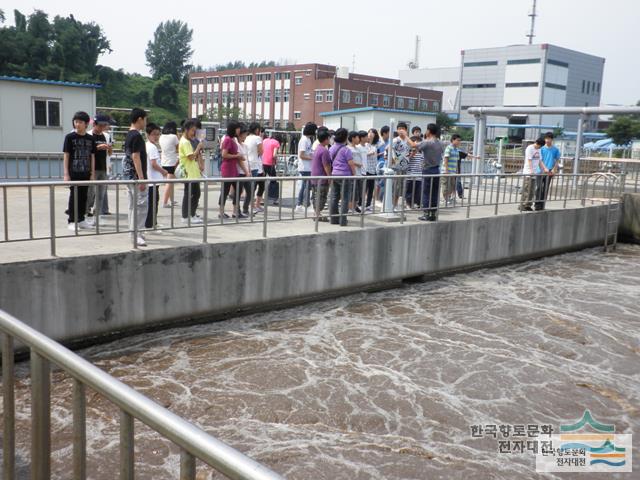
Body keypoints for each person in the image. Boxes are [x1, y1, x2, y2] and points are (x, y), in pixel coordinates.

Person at [63, 111, 96, 230]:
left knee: (84, 197)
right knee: (74, 197)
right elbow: (66, 155)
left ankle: (81, 219)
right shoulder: (69, 137)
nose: (77, 124)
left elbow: (92, 156)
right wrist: (66, 174)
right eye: (76, 121)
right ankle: (72, 221)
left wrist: (92, 173)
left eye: (80, 122)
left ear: (86, 124)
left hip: (86, 172)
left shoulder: (90, 139)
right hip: (74, 172)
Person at [122, 108, 149, 246]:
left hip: (129, 176)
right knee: (141, 206)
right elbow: (136, 156)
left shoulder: (129, 134)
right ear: (139, 119)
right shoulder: (137, 136)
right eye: (145, 119)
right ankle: (137, 233)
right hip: (136, 177)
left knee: (133, 206)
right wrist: (142, 178)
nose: (146, 122)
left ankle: (133, 232)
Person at [407, 123, 444, 221]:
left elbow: (413, 145)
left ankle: (426, 214)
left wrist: (405, 135)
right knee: (435, 192)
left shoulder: (428, 142)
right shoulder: (440, 143)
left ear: (429, 131)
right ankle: (433, 214)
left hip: (428, 170)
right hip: (437, 170)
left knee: (426, 192)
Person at [86, 114, 112, 222]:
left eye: (105, 125)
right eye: (101, 125)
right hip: (92, 168)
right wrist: (98, 147)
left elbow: (110, 153)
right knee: (90, 193)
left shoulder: (106, 136)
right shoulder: (88, 135)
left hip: (103, 168)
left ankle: (98, 214)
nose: (103, 128)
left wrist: (109, 148)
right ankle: (86, 212)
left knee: (101, 193)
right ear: (94, 124)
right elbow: (87, 151)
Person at [179, 119, 205, 224]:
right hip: (189, 173)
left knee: (196, 194)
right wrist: (198, 147)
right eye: (192, 131)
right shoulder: (185, 142)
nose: (193, 133)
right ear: (186, 129)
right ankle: (186, 216)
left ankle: (192, 214)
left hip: (193, 173)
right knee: (189, 194)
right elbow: (191, 157)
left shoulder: (187, 141)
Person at [329, 128, 355, 226]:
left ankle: (333, 219)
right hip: (345, 176)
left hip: (334, 174)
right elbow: (351, 164)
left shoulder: (331, 148)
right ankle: (343, 220)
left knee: (334, 197)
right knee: (345, 198)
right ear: (345, 137)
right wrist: (354, 174)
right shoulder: (346, 150)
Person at [219, 122, 245, 218]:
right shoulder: (228, 140)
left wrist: (238, 156)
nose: (239, 130)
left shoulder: (232, 140)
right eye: (238, 128)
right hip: (227, 169)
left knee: (238, 189)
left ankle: (235, 211)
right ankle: (221, 212)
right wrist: (236, 156)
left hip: (233, 169)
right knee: (225, 191)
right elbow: (224, 154)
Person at [145, 123, 168, 229]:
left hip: (150, 180)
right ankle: (151, 224)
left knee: (152, 202)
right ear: (148, 134)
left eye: (158, 134)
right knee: (153, 203)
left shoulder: (147, 145)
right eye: (154, 134)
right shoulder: (152, 147)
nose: (156, 136)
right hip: (153, 180)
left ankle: (152, 222)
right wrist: (163, 171)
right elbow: (154, 164)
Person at [310, 128, 332, 221]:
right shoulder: (324, 151)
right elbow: (326, 165)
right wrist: (329, 177)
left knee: (316, 195)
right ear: (326, 139)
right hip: (321, 177)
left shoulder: (317, 148)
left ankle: (316, 213)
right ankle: (317, 214)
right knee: (322, 196)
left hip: (314, 176)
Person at [296, 123, 317, 212]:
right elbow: (301, 155)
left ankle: (300, 204)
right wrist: (312, 157)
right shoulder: (304, 140)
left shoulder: (308, 140)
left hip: (307, 166)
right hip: (305, 167)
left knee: (305, 186)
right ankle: (305, 204)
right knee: (306, 186)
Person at [519, 138, 545, 212]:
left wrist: (543, 169)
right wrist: (531, 170)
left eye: (540, 147)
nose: (539, 147)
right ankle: (523, 205)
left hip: (534, 173)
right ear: (536, 143)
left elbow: (540, 161)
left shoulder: (539, 149)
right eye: (538, 146)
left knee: (532, 190)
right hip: (528, 172)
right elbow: (529, 160)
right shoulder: (530, 148)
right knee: (527, 189)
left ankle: (528, 205)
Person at [536, 132, 560, 211]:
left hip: (549, 171)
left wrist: (554, 169)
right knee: (539, 187)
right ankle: (537, 204)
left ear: (551, 139)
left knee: (545, 188)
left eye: (549, 138)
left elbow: (557, 160)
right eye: (546, 138)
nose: (547, 140)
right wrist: (544, 168)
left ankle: (542, 204)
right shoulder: (541, 149)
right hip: (540, 171)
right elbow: (540, 159)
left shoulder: (555, 149)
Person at [245, 122, 265, 213]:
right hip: (255, 164)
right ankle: (253, 206)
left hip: (248, 163)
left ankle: (253, 205)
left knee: (253, 186)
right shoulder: (258, 138)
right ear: (257, 130)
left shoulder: (247, 137)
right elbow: (261, 152)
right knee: (255, 186)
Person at [391, 122, 411, 210]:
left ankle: (397, 205)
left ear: (406, 130)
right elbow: (388, 149)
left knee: (402, 187)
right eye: (399, 129)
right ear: (397, 130)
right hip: (396, 167)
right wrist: (393, 159)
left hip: (405, 167)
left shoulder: (407, 140)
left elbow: (412, 149)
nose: (401, 130)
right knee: (396, 187)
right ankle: (393, 205)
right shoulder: (396, 140)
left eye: (403, 128)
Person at [159, 121, 180, 208]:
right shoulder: (174, 137)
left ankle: (171, 200)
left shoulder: (161, 137)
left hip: (164, 162)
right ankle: (165, 202)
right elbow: (178, 149)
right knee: (169, 183)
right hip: (172, 162)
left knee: (170, 182)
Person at [235, 124, 252, 217]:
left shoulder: (245, 146)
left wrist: (249, 170)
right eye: (245, 134)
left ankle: (245, 209)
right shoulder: (237, 145)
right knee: (238, 192)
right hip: (240, 172)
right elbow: (239, 160)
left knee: (249, 191)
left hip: (246, 172)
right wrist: (246, 171)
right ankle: (237, 210)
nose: (246, 136)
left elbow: (246, 159)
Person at [442, 134, 462, 205]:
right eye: (458, 140)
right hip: (446, 171)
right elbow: (446, 158)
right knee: (446, 185)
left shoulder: (456, 150)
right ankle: (445, 199)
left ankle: (449, 198)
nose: (459, 142)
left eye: (460, 140)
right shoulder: (449, 148)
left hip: (453, 171)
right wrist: (446, 169)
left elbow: (456, 161)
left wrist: (456, 171)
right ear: (453, 140)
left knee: (452, 186)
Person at [362, 129, 379, 211]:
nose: (371, 134)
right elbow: (363, 154)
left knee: (371, 188)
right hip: (366, 169)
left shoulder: (375, 145)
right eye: (369, 132)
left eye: (373, 132)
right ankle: (361, 204)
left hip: (373, 169)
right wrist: (370, 153)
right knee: (364, 188)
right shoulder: (365, 144)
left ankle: (368, 204)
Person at [262, 133, 281, 204]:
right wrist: (276, 159)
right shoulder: (276, 142)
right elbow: (274, 155)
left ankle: (260, 198)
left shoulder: (265, 140)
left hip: (262, 163)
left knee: (262, 181)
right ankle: (273, 199)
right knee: (273, 181)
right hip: (270, 164)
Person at [406, 135, 423, 209]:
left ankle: (417, 203)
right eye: (416, 143)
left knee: (418, 192)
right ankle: (408, 204)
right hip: (410, 175)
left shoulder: (422, 153)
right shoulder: (409, 152)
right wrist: (412, 154)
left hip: (419, 176)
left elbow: (423, 163)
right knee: (409, 191)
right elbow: (406, 161)